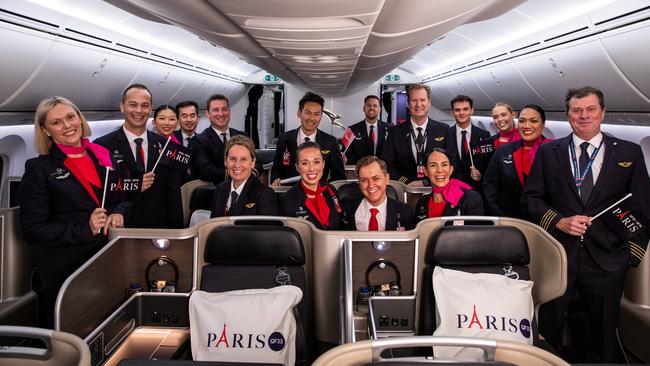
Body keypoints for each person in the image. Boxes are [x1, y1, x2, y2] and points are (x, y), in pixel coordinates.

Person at [521, 86, 650, 362]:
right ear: (568, 116)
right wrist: (558, 221)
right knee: (549, 328)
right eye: (577, 110)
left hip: (607, 260)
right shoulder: (548, 153)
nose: (584, 116)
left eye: (591, 109)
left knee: (602, 336)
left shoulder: (629, 152)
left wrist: (631, 256)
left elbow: (643, 206)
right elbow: (531, 199)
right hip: (559, 257)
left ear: (602, 113)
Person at [19, 96, 131, 328]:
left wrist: (119, 213)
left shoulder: (102, 156)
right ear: (45, 130)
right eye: (57, 122)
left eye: (71, 117)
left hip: (106, 260)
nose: (67, 125)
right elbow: (33, 229)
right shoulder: (39, 169)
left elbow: (123, 196)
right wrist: (85, 228)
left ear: (79, 118)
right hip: (67, 271)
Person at [95, 84, 183, 229]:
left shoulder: (167, 146)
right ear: (122, 107)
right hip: (122, 227)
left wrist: (178, 234)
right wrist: (134, 186)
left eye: (145, 105)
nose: (139, 111)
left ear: (150, 109)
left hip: (159, 228)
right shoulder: (102, 146)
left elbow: (173, 194)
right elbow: (102, 192)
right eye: (133, 105)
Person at [483, 104, 551, 219]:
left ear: (543, 124)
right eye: (522, 121)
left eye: (533, 121)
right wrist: (499, 216)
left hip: (544, 220)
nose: (526, 126)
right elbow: (489, 185)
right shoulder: (503, 152)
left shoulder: (553, 151)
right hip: (510, 220)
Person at [271, 92, 346, 186]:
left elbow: (339, 176)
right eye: (308, 113)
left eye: (316, 114)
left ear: (321, 116)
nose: (311, 118)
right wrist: (276, 179)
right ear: (299, 113)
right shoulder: (284, 138)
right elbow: (276, 168)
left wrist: (324, 190)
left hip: (318, 196)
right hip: (288, 192)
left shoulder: (330, 142)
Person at [381, 84, 447, 186]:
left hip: (436, 189)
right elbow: (387, 165)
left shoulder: (443, 130)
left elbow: (451, 164)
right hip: (405, 190)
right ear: (407, 103)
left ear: (429, 103)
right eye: (414, 100)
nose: (418, 104)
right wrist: (407, 182)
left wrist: (427, 182)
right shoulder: (395, 132)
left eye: (422, 100)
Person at [192, 94, 260, 184]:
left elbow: (257, 163)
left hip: (246, 190)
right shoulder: (200, 140)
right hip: (216, 192)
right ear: (207, 114)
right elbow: (206, 171)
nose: (221, 114)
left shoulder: (242, 135)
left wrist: (252, 173)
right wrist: (240, 173)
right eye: (216, 110)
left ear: (229, 111)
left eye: (224, 109)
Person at [279, 141, 343, 230]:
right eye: (305, 163)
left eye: (316, 162)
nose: (312, 169)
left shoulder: (330, 190)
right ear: (297, 167)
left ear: (323, 164)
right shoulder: (287, 200)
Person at [210, 135, 278, 217]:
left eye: (243, 159)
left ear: (253, 162)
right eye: (232, 159)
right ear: (225, 161)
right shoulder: (220, 189)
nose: (237, 165)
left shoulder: (265, 195)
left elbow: (268, 229)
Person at [341, 156, 413, 230]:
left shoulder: (405, 212)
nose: (371, 185)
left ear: (387, 179)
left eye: (376, 178)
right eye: (364, 180)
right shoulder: (345, 209)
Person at [415, 149, 483, 222]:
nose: (440, 170)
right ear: (425, 171)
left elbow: (476, 232)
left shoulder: (471, 198)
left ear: (451, 170)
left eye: (444, 165)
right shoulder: (422, 202)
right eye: (433, 165)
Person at [444, 95, 493, 192]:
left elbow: (489, 166)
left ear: (472, 110)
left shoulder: (484, 136)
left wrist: (480, 175)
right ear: (452, 112)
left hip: (476, 190)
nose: (462, 113)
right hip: (453, 190)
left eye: (465, 109)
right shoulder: (446, 135)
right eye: (457, 110)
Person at [344, 95, 390, 165]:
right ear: (364, 108)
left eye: (375, 106)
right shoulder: (351, 130)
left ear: (379, 109)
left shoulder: (390, 129)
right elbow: (344, 154)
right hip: (359, 172)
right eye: (368, 105)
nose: (371, 108)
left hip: (382, 172)